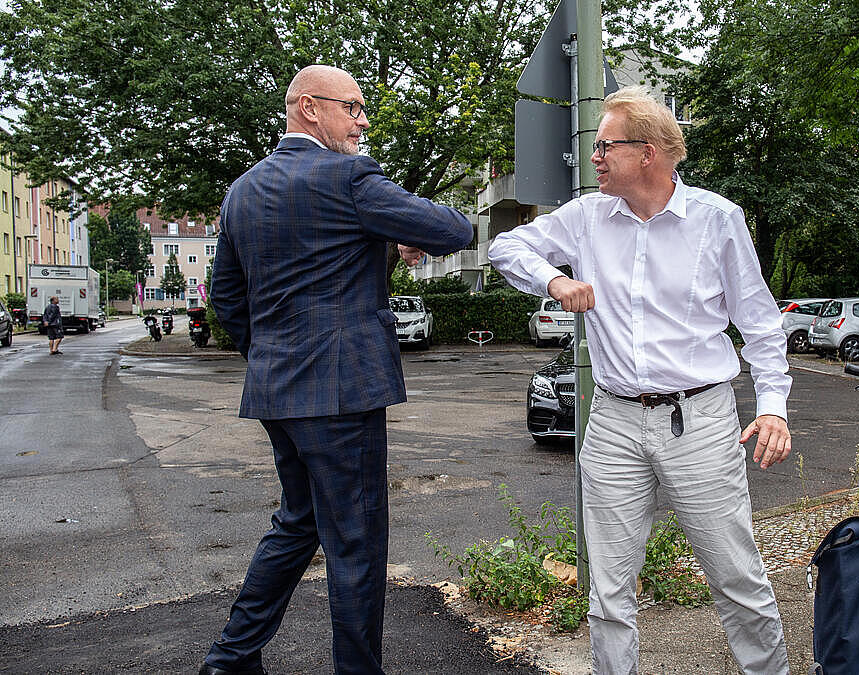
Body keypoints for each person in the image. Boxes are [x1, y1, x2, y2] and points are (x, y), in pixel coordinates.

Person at [489, 86, 793, 675]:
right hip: (613, 422)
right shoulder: (585, 218)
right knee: (607, 591)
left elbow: (760, 323)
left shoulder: (717, 220)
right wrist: (553, 282)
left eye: (605, 146)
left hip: (700, 421)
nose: (593, 157)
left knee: (735, 578)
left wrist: (774, 407)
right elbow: (507, 245)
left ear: (649, 151)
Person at [201, 64, 473, 675]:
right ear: (309, 110)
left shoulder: (242, 191)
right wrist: (402, 233)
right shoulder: (349, 177)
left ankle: (230, 657)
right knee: (356, 541)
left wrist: (275, 356)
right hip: (344, 394)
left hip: (278, 391)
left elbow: (227, 299)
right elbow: (453, 227)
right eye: (351, 107)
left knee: (299, 523)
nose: (362, 120)